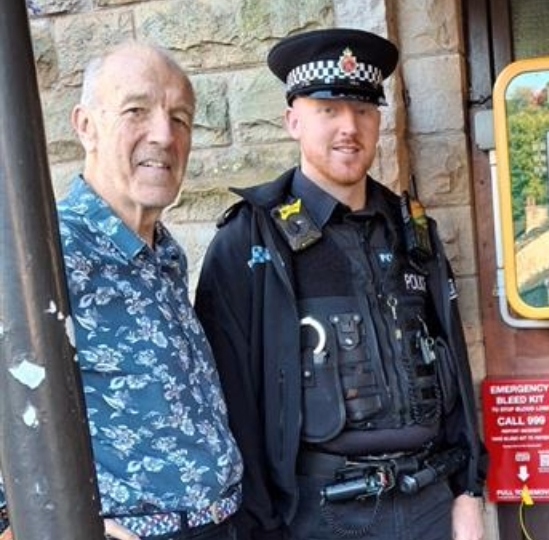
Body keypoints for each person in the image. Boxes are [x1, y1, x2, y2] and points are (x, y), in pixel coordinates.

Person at [194, 28, 487, 540]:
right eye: (328, 110)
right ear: (293, 121)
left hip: (429, 506)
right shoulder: (249, 240)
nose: (349, 127)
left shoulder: (413, 229)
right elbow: (230, 401)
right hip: (319, 515)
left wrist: (468, 491)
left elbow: (454, 367)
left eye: (364, 110)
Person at [0, 42, 243, 540]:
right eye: (137, 110)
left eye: (180, 118)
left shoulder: (165, 253)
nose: (164, 134)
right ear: (85, 125)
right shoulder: (41, 254)